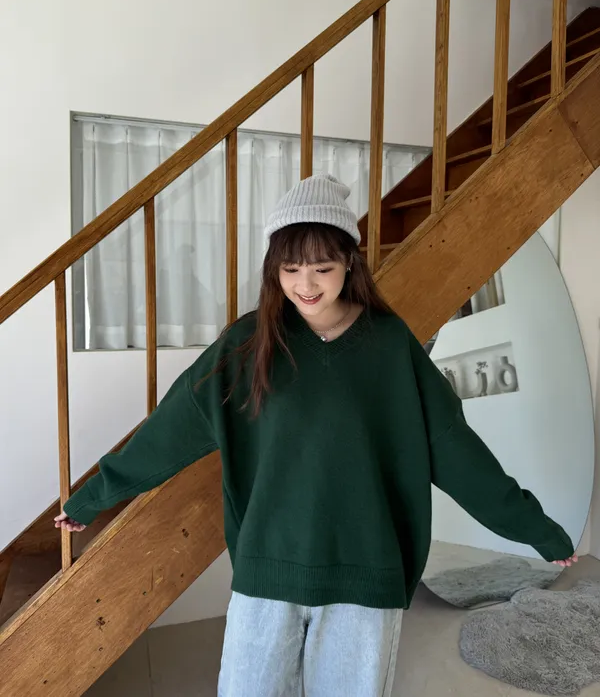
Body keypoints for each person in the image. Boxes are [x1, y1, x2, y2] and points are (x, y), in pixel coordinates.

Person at [56, 174, 577, 697]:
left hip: (366, 574)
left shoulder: (389, 345)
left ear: (350, 261)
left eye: (322, 268)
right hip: (268, 571)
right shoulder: (247, 344)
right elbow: (170, 428)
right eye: (290, 269)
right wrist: (93, 497)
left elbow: (455, 449)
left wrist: (536, 528)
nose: (305, 284)